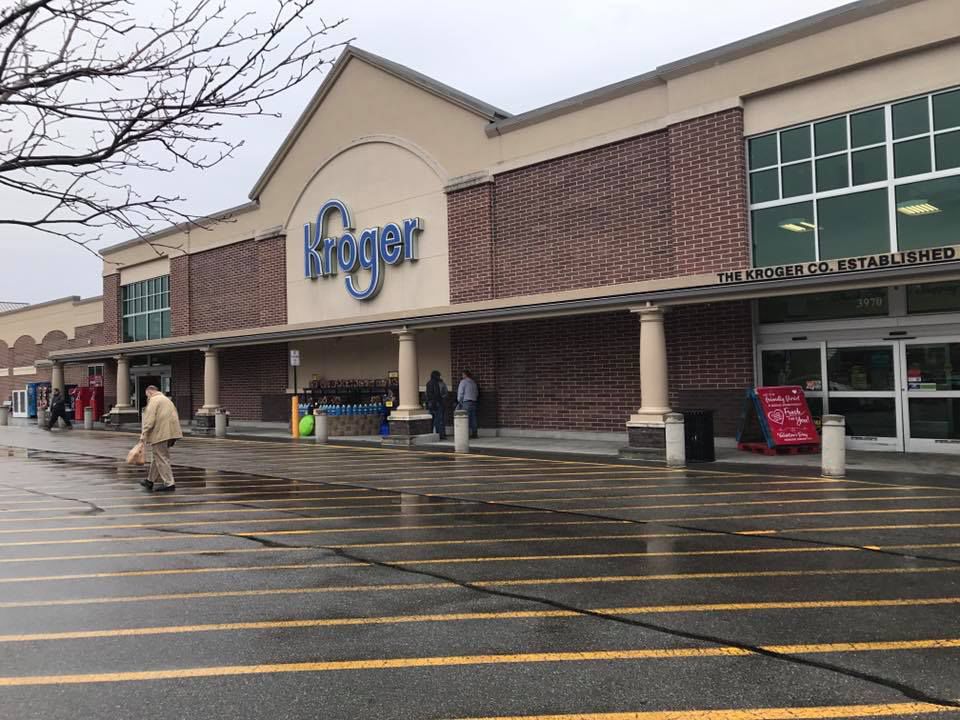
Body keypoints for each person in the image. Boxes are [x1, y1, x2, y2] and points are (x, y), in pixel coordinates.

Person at [139, 385, 183, 492]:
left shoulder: (154, 400)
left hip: (160, 434)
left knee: (162, 458)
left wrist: (143, 434)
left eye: (147, 396)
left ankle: (169, 483)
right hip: (170, 433)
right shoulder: (166, 400)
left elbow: (149, 420)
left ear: (149, 392)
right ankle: (150, 480)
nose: (147, 398)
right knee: (157, 457)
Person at [425, 370, 449, 440]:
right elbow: (437, 394)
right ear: (436, 376)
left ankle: (430, 433)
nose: (439, 377)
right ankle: (440, 435)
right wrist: (440, 401)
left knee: (431, 420)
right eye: (438, 375)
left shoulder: (428, 383)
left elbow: (427, 394)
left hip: (430, 403)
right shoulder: (436, 383)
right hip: (436, 403)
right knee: (439, 420)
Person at [457, 369, 479, 439]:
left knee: (465, 419)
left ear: (465, 375)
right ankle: (474, 433)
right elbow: (477, 393)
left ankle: (466, 433)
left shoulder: (463, 382)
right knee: (473, 418)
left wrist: (459, 401)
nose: (462, 376)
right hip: (474, 401)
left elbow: (460, 393)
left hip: (466, 402)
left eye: (462, 374)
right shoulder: (473, 382)